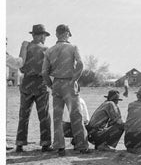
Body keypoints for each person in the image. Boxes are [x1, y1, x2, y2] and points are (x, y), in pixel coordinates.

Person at [42, 24, 90, 156]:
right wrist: (74, 79)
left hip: (56, 83)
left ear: (56, 34)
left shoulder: (49, 50)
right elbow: (80, 64)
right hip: (69, 82)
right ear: (68, 34)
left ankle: (59, 146)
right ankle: (81, 145)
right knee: (76, 115)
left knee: (57, 117)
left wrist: (51, 85)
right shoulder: (73, 47)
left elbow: (44, 72)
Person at [13, 25, 52, 153]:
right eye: (44, 35)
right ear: (40, 35)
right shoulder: (46, 49)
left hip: (26, 83)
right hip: (40, 83)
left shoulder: (25, 47)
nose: (45, 38)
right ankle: (45, 144)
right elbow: (49, 69)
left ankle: (20, 143)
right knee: (44, 115)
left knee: (23, 115)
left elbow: (21, 67)